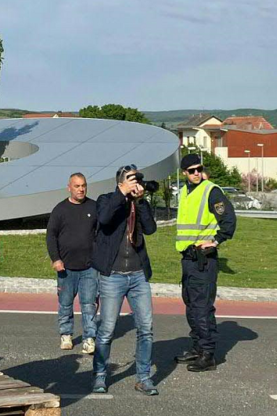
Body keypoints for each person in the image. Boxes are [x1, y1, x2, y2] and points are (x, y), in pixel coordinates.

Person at [91, 165, 159, 396]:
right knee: (107, 329)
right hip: (113, 275)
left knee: (146, 329)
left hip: (138, 274)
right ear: (120, 182)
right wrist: (121, 194)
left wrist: (140, 202)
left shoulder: (137, 203)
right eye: (131, 179)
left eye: (137, 179)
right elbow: (105, 219)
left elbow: (150, 229)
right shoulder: (106, 199)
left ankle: (144, 378)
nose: (136, 182)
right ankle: (100, 375)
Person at [173, 154, 236, 372]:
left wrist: (216, 241)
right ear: (184, 173)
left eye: (199, 169)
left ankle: (208, 354)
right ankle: (198, 348)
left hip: (203, 259)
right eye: (192, 170)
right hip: (188, 258)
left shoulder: (211, 191)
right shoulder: (184, 192)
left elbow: (229, 220)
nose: (197, 173)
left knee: (202, 308)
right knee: (191, 305)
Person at [46, 173, 98, 354]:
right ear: (69, 187)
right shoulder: (60, 209)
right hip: (66, 268)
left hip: (90, 267)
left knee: (89, 304)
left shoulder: (94, 207)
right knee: (65, 303)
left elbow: (101, 234)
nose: (81, 189)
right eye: (77, 186)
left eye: (83, 185)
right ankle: (66, 334)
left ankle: (89, 338)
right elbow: (51, 236)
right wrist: (56, 259)